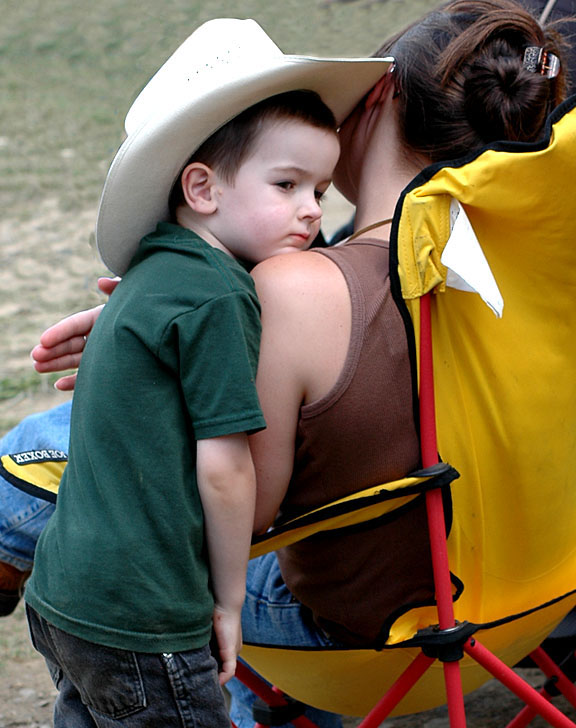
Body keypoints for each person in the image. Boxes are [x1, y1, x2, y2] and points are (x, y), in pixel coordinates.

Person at [4, 0, 571, 725]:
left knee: (40, 443)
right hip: (528, 599)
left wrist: (141, 363)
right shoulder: (537, 267)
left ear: (375, 97)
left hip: (368, 637)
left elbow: (249, 512)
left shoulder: (299, 289)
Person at [18, 17, 389, 728]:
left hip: (66, 599)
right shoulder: (221, 299)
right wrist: (226, 601)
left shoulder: (157, 268)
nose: (312, 211)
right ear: (202, 187)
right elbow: (225, 471)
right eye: (287, 184)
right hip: (149, 619)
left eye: (319, 190)